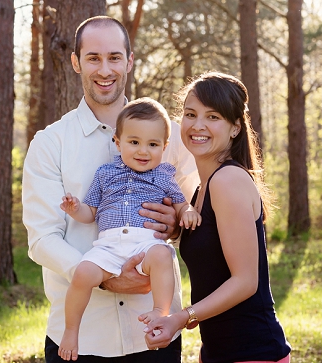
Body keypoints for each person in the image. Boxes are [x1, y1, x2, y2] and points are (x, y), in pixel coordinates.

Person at [22, 15, 198, 362]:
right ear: (76, 62)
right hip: (82, 338)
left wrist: (177, 225)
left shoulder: (171, 136)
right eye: (93, 58)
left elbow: (195, 215)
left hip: (153, 333)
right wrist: (105, 278)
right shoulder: (49, 143)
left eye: (114, 57)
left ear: (129, 62)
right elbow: (42, 239)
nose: (105, 69)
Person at [143, 72, 291, 363]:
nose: (198, 126)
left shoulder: (228, 181)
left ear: (235, 128)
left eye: (213, 117)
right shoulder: (202, 188)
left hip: (253, 351)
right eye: (190, 114)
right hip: (219, 351)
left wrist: (182, 317)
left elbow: (246, 281)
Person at [57, 98, 201, 361]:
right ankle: (70, 330)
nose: (143, 151)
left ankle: (160, 310)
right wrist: (74, 208)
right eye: (134, 142)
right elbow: (89, 213)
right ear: (117, 142)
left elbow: (181, 204)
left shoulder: (163, 175)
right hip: (109, 246)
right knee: (82, 273)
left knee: (162, 255)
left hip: (145, 243)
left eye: (153, 144)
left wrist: (188, 211)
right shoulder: (104, 174)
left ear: (164, 147)